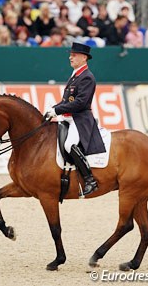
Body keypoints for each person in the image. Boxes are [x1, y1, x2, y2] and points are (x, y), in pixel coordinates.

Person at [44, 42, 106, 196]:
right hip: (68, 117)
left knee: (69, 144)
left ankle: (90, 179)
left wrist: (57, 110)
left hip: (80, 119)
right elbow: (67, 101)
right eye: (70, 54)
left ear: (84, 58)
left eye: (74, 55)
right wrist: (52, 111)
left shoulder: (87, 77)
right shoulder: (76, 75)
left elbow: (80, 103)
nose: (70, 57)